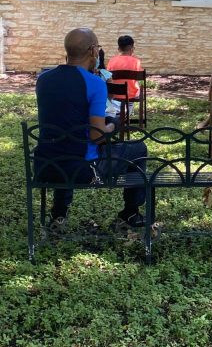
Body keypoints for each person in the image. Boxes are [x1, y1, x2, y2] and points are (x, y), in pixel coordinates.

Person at [34, 28, 148, 232]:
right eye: (97, 47)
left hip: (47, 165)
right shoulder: (95, 84)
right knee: (138, 148)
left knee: (67, 146)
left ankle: (59, 214)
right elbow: (97, 136)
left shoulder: (44, 79)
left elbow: (66, 115)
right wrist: (113, 124)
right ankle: (130, 213)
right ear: (93, 51)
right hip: (84, 170)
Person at [106, 35, 143, 116]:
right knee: (135, 87)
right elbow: (139, 76)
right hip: (131, 93)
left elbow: (108, 77)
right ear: (132, 49)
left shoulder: (112, 61)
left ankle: (118, 114)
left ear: (119, 49)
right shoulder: (136, 61)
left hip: (115, 93)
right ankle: (127, 114)